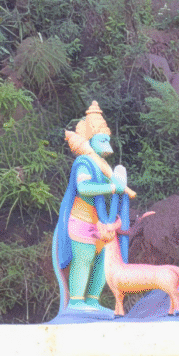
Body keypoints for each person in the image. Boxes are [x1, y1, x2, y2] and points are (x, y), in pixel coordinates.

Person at [54, 102, 130, 313]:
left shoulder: (100, 165)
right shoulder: (84, 163)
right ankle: (77, 301)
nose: (107, 143)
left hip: (100, 221)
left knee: (103, 260)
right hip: (82, 217)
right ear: (90, 140)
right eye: (102, 139)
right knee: (84, 258)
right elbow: (84, 187)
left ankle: (93, 300)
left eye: (108, 139)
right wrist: (112, 186)